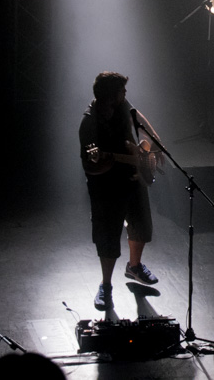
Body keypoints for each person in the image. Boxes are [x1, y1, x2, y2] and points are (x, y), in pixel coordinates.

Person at [79, 71, 160, 311]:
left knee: (141, 225)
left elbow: (139, 119)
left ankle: (134, 267)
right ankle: (106, 285)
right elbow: (90, 165)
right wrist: (108, 162)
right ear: (110, 96)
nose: (126, 94)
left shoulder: (122, 104)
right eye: (122, 91)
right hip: (106, 186)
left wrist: (154, 145)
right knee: (107, 235)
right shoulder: (89, 123)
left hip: (133, 177)